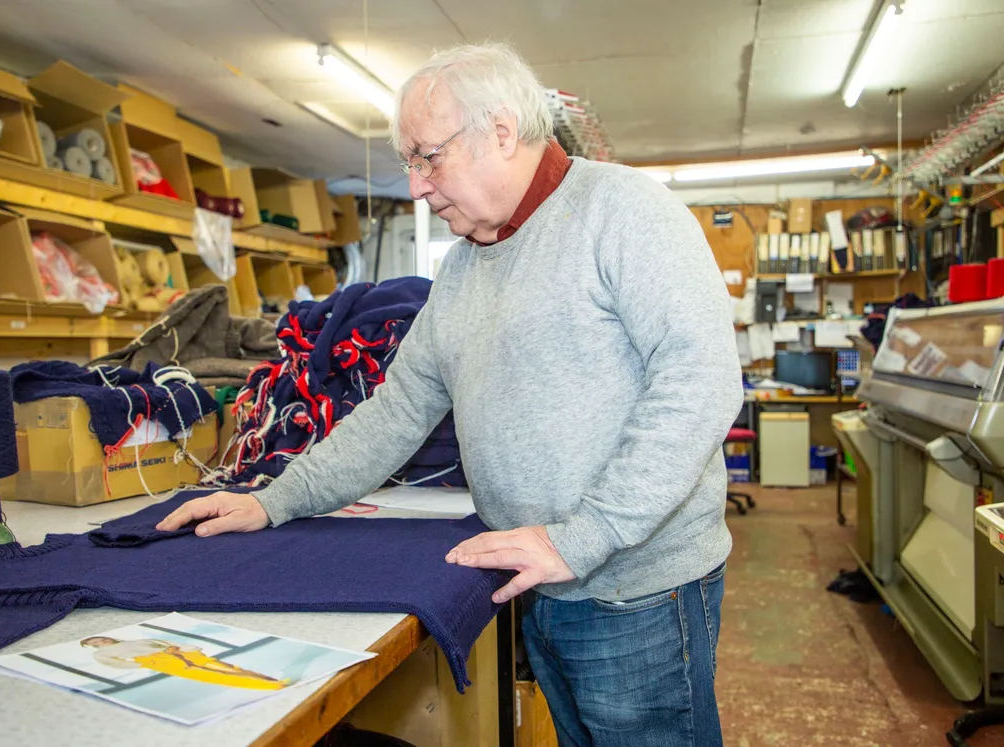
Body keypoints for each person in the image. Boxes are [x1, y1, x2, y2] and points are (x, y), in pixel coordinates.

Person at [158, 42, 742, 746]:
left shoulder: (625, 213)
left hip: (638, 590)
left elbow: (701, 380)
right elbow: (397, 411)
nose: (414, 186)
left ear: (501, 131)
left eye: (427, 157)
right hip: (542, 581)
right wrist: (272, 498)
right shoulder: (465, 267)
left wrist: (583, 537)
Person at [80, 636, 289, 690]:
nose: (102, 641)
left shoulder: (132, 641)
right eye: (96, 642)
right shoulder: (103, 654)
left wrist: (187, 648)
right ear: (93, 646)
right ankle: (267, 685)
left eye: (101, 638)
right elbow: (116, 664)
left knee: (226, 667)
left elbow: (165, 642)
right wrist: (141, 664)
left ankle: (269, 679)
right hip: (156, 660)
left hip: (174, 651)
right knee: (209, 675)